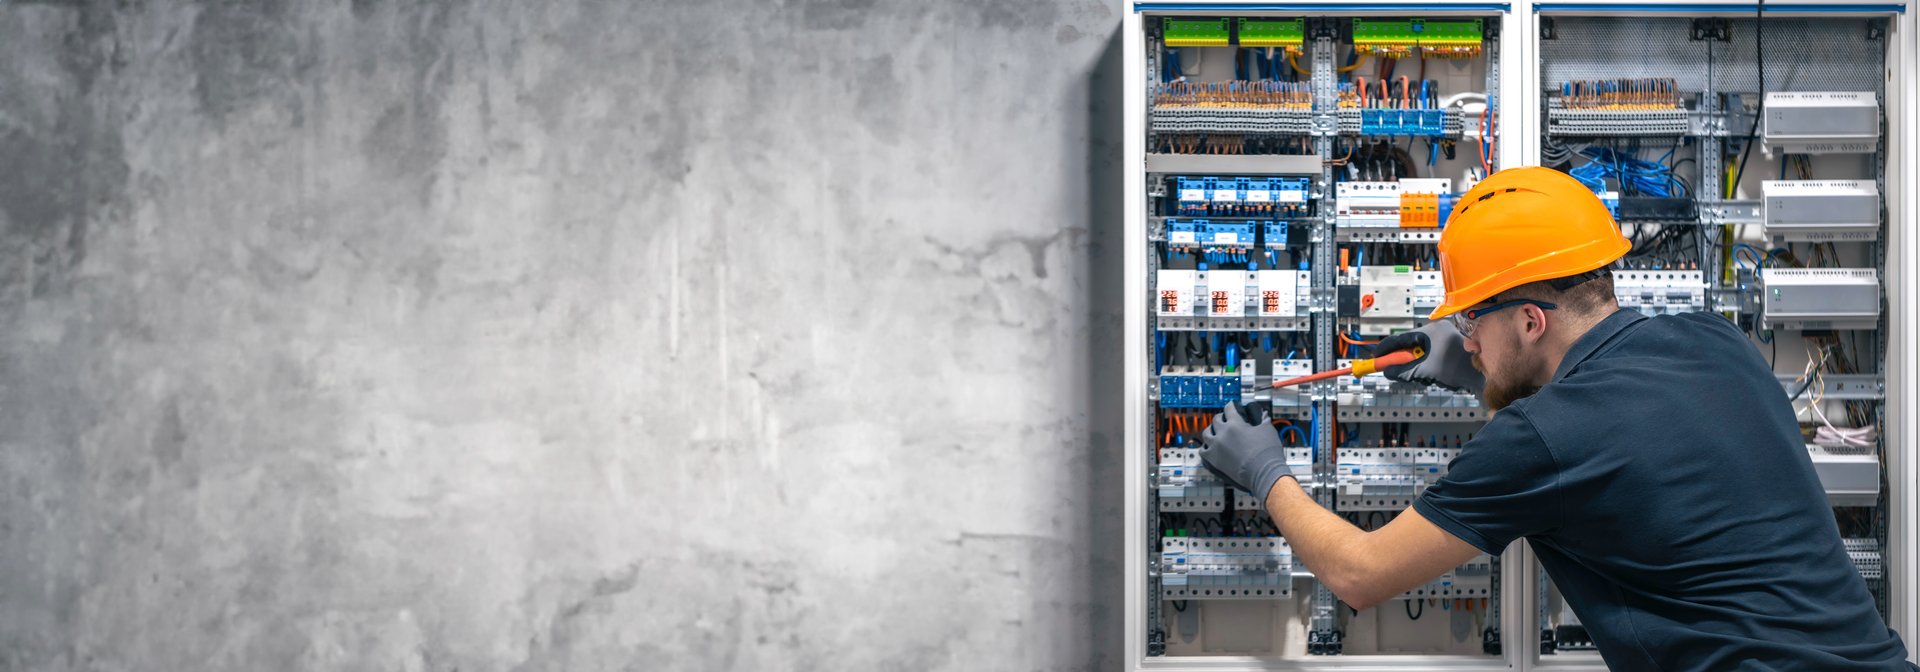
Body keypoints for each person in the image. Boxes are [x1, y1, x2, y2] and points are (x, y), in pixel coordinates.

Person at [1198, 166, 1913, 670]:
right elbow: (1620, 437)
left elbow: (1359, 573)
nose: (1465, 337)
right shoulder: (1715, 340)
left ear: (1532, 320)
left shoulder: (1538, 437)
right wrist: (1483, 372)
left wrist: (1265, 472)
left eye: (1474, 319)